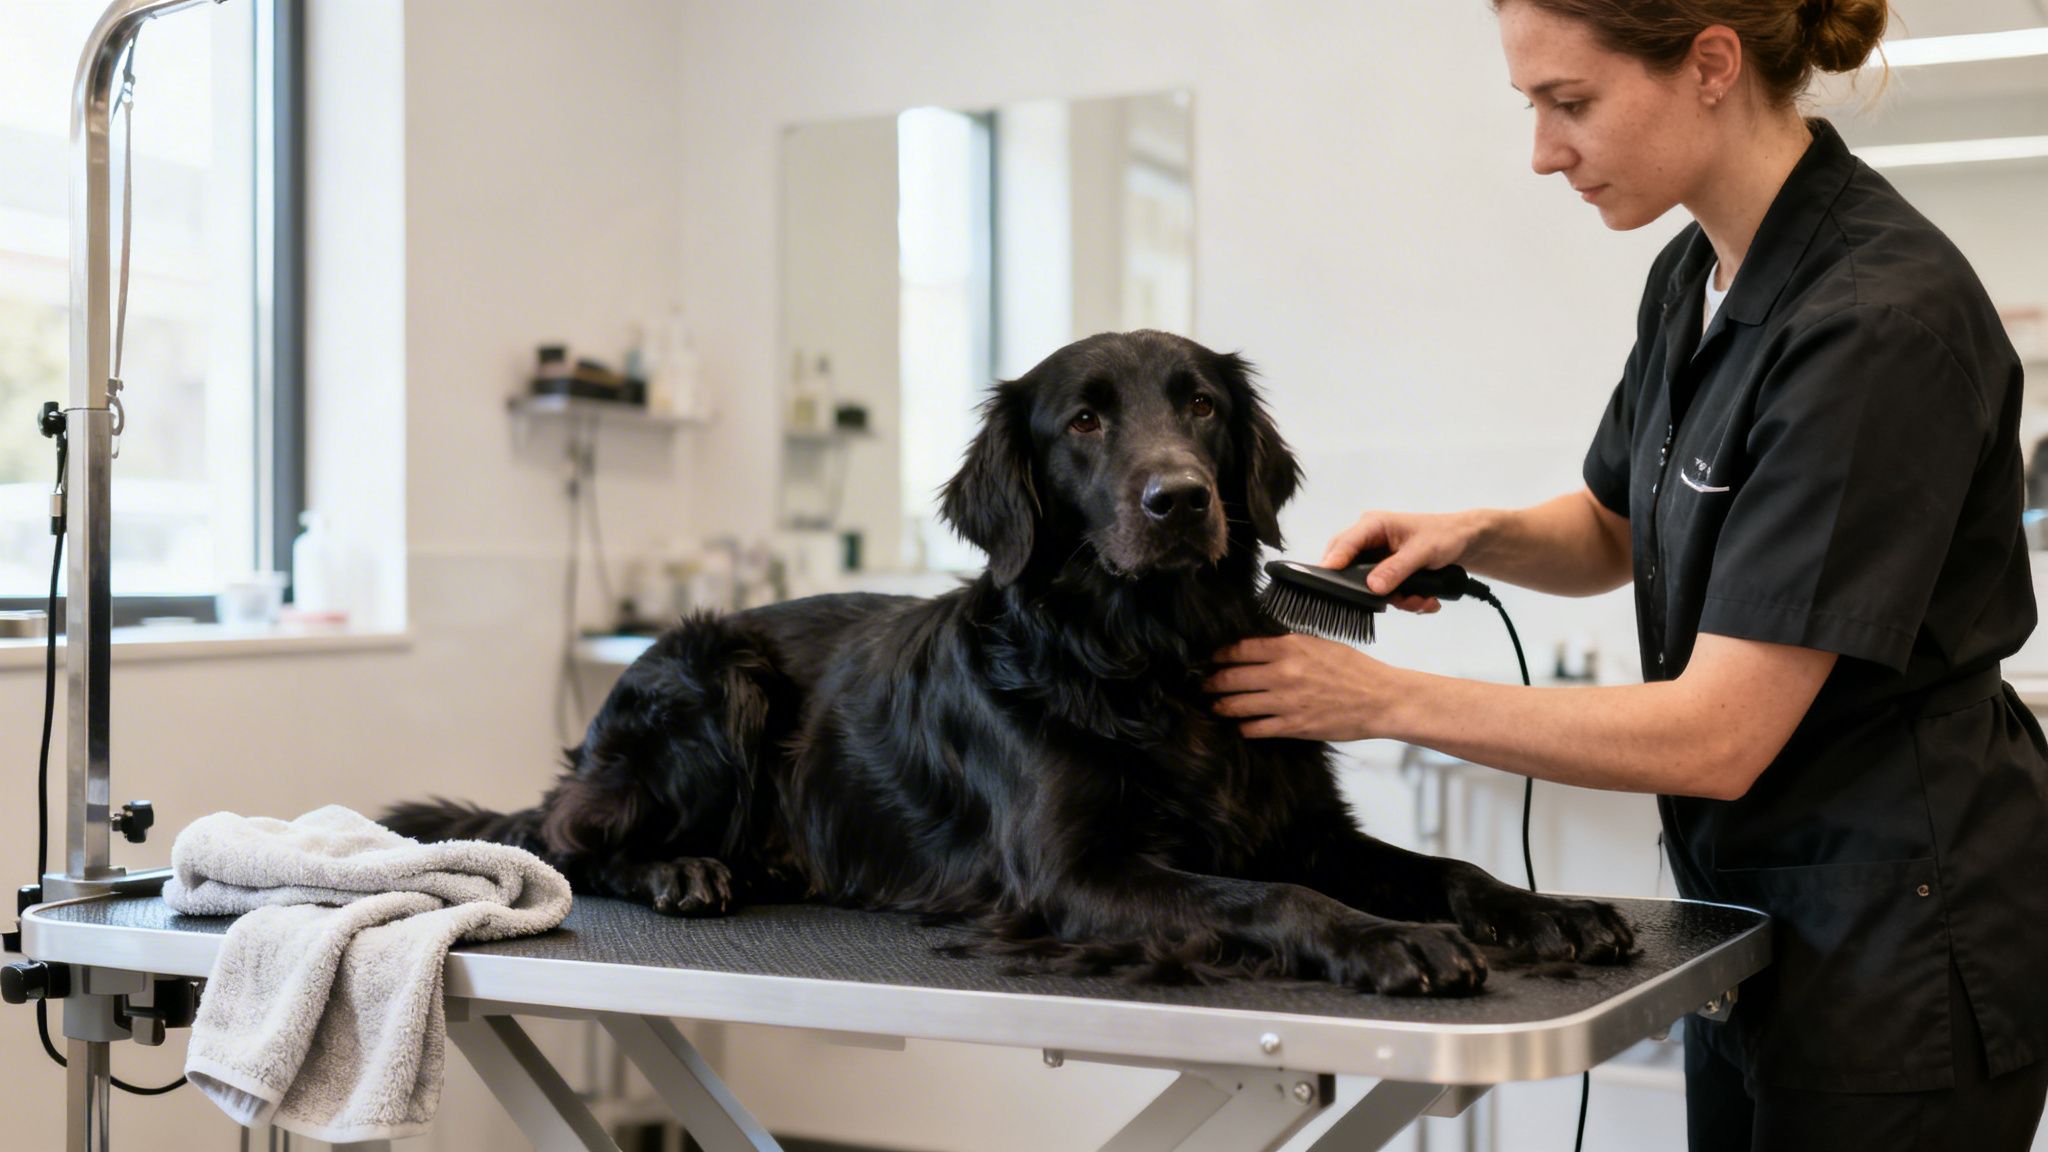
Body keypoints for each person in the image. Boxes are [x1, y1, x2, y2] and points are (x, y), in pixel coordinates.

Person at [1205, 1, 2048, 1148]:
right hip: (1749, 906)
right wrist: (1475, 533)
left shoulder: (1871, 325)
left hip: (1898, 931)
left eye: (1569, 103)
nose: (1544, 151)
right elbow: (1614, 522)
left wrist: (1381, 702)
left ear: (1710, 62)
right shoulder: (1692, 274)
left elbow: (1717, 735)